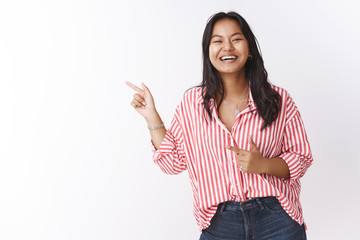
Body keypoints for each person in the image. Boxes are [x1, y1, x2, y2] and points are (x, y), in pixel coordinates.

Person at [126, 11, 313, 240]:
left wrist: (263, 164)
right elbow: (172, 162)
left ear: (250, 49)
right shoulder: (192, 103)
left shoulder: (278, 100)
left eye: (236, 39)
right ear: (208, 52)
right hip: (220, 223)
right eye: (218, 41)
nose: (227, 47)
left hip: (276, 219)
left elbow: (301, 158)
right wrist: (151, 116)